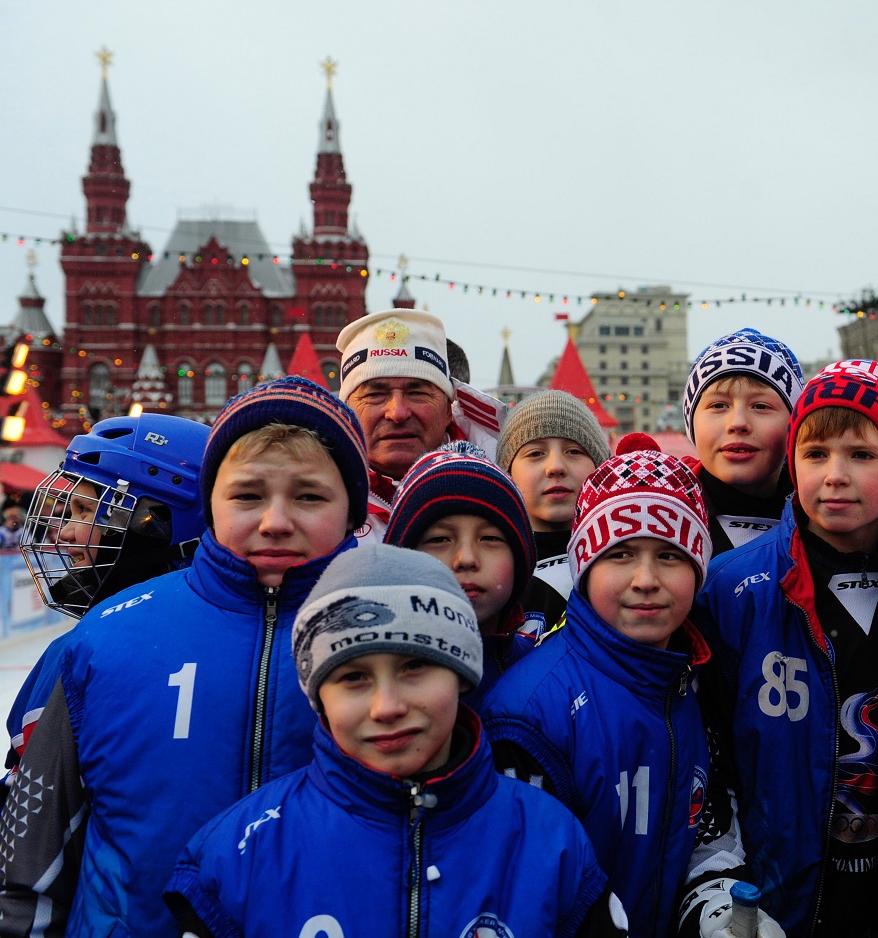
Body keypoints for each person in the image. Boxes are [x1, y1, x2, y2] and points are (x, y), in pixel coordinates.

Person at [0, 377, 368, 936]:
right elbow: (30, 873)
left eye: (309, 495)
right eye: (247, 495)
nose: (274, 520)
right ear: (214, 503)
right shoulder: (102, 643)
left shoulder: (391, 641)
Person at [166, 545, 628, 937]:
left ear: (463, 675)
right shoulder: (238, 855)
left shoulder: (553, 844)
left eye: (414, 667)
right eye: (352, 677)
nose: (386, 706)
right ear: (318, 695)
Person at [482, 435, 778, 938]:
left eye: (669, 556)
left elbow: (705, 829)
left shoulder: (692, 680)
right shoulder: (530, 713)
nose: (646, 579)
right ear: (584, 567)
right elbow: (516, 892)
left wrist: (717, 912)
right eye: (620, 555)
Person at [696, 360, 878, 937]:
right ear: (792, 463)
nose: (835, 476)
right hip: (779, 898)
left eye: (862, 455)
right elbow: (709, 755)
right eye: (816, 454)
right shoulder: (730, 587)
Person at [6, 413, 210, 773]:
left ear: (152, 520)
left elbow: (32, 809)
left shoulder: (85, 647)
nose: (64, 534)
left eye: (84, 510)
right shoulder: (249, 630)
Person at [383, 441, 540, 705]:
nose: (466, 559)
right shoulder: (375, 676)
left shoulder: (541, 670)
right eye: (440, 540)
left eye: (490, 538)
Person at [336, 308, 459, 535]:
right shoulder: (314, 501)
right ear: (346, 412)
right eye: (374, 395)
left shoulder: (504, 488)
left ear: (448, 410)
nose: (397, 413)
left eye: (417, 393)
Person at [684, 328, 805, 556]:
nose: (738, 423)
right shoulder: (661, 519)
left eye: (761, 406)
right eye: (719, 405)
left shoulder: (827, 517)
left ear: (793, 425)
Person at [495, 389, 610, 630]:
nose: (556, 467)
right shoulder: (490, 566)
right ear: (507, 473)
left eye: (574, 452)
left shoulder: (626, 559)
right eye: (535, 453)